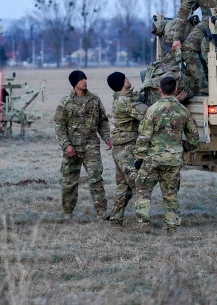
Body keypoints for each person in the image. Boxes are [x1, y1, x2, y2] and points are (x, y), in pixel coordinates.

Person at [133, 76, 200, 235]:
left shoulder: (153, 109)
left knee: (143, 188)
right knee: (170, 193)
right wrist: (185, 148)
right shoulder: (183, 110)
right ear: (176, 90)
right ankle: (172, 226)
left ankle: (143, 224)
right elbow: (194, 137)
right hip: (174, 159)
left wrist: (140, 158)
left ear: (159, 90)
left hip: (153, 158)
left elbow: (144, 137)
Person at [54, 70, 113, 220]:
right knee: (69, 181)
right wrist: (66, 145)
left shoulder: (94, 100)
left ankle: (101, 212)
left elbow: (103, 121)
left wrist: (107, 137)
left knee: (96, 178)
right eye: (81, 79)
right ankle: (67, 212)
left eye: (85, 78)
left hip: (91, 146)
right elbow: (59, 126)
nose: (85, 81)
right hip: (72, 147)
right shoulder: (65, 102)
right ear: (75, 83)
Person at [106, 72, 148, 226]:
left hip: (120, 150)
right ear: (122, 83)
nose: (128, 79)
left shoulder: (121, 98)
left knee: (124, 188)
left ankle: (116, 220)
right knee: (138, 186)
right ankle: (144, 223)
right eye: (126, 78)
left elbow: (137, 99)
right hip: (127, 150)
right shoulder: (125, 102)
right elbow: (148, 115)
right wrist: (172, 101)